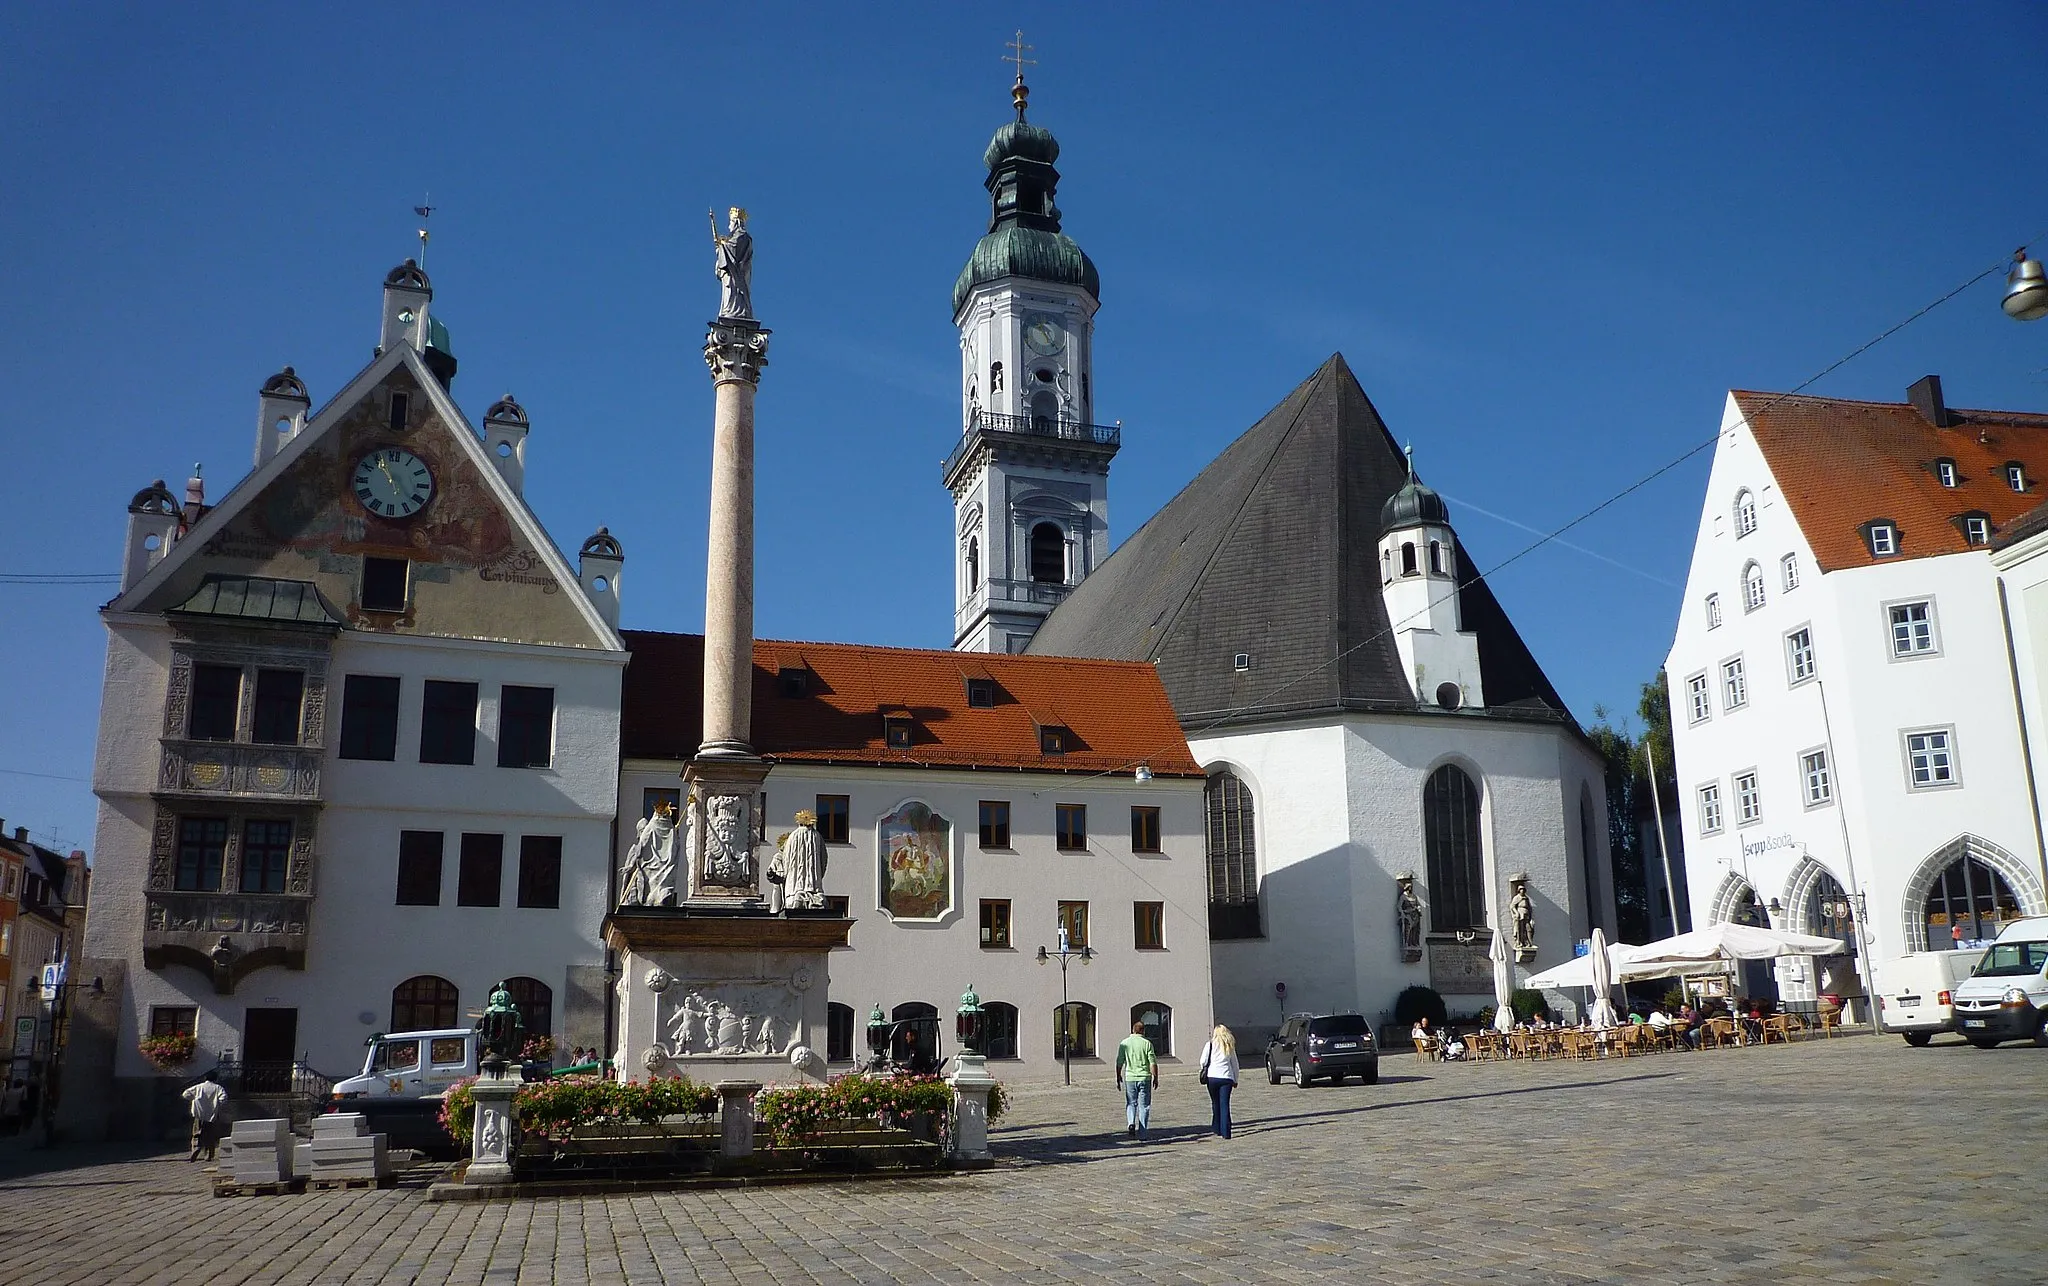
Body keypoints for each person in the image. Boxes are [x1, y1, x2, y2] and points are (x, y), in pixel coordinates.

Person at [1115, 1021, 1158, 1141]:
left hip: (1130, 1077)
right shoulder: (1147, 1044)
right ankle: (1143, 1133)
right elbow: (1152, 1062)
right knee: (1144, 1106)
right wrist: (1156, 1077)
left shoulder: (1124, 1043)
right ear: (1143, 1031)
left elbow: (1119, 1061)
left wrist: (1118, 1076)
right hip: (1144, 1077)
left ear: (1133, 1030)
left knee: (1131, 1103)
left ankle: (1131, 1123)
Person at [1196, 1025, 1240, 1139]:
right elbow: (1235, 1064)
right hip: (1226, 1077)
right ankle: (1226, 1132)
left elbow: (1203, 1061)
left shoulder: (1209, 1044)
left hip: (1212, 1077)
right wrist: (1236, 1079)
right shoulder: (1229, 1046)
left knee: (1215, 1103)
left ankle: (1216, 1128)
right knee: (1225, 1104)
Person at [183, 1071, 228, 1162]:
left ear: (205, 1078)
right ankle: (208, 1154)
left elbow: (185, 1094)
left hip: (198, 1114)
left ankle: (196, 1147)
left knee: (197, 1133)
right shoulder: (218, 1088)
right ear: (215, 1079)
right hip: (212, 1115)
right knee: (210, 1135)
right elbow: (223, 1098)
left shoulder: (199, 1087)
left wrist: (193, 1100)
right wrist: (217, 1104)